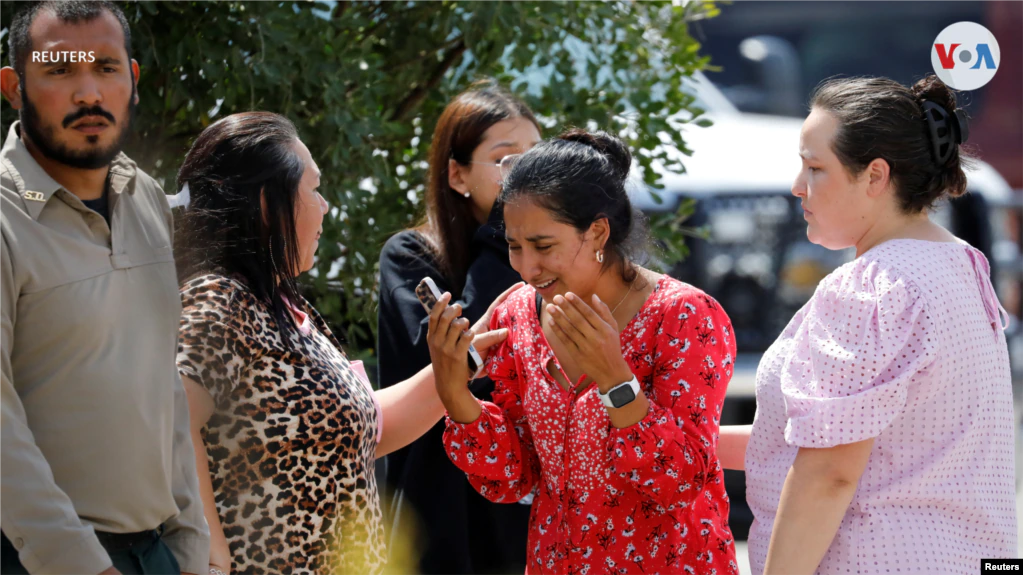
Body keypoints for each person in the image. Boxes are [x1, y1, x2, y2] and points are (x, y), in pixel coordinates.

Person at [172, 111, 516, 575]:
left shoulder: (282, 305)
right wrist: (211, 557)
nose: (326, 206)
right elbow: (173, 421)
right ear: (268, 203)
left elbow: (365, 431)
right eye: (314, 189)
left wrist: (463, 360)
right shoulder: (220, 298)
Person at [716, 75, 1018, 575]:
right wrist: (672, 439)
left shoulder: (870, 286)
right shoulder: (963, 264)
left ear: (875, 176)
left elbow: (827, 472)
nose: (797, 185)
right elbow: (851, 443)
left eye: (816, 168)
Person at [429, 129, 740, 575]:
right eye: (514, 247)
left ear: (597, 232)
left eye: (543, 246)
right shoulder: (517, 313)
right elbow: (515, 477)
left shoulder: (684, 316)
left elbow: (681, 482)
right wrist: (454, 393)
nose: (526, 267)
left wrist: (616, 381)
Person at [0, 2, 210, 575]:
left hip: (157, 554)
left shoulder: (145, 197)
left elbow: (161, 385)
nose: (88, 93)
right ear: (14, 87)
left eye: (106, 67)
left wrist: (190, 549)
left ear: (133, 79)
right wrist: (81, 564)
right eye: (60, 70)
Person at [376, 81, 541, 574]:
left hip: (526, 500)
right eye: (506, 159)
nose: (525, 173)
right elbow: (459, 361)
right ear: (457, 174)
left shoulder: (551, 257)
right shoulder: (410, 256)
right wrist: (505, 233)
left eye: (536, 156)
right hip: (443, 507)